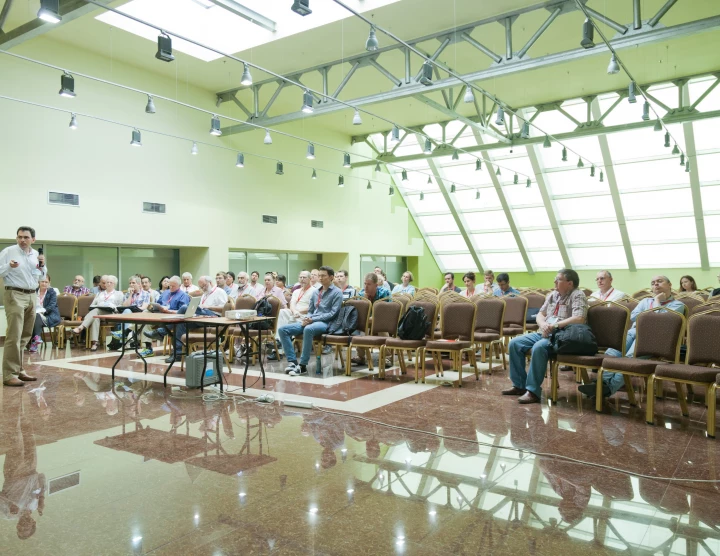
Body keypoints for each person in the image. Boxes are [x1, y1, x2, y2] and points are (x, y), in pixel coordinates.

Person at [579, 275, 686, 399]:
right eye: (653, 283)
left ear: (669, 285)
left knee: (630, 358)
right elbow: (634, 316)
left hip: (655, 339)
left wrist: (656, 301)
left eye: (659, 281)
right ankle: (601, 384)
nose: (655, 284)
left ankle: (608, 388)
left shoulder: (677, 305)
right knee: (613, 351)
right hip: (634, 332)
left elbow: (659, 322)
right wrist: (652, 312)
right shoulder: (645, 301)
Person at [505, 269, 588, 404]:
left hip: (562, 336)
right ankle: (519, 385)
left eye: (558, 279)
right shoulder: (552, 295)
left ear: (569, 283)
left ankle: (533, 391)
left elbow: (579, 318)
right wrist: (543, 324)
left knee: (539, 347)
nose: (554, 281)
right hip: (544, 332)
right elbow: (540, 314)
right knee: (514, 343)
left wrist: (554, 326)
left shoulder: (578, 295)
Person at [0, 227, 47, 386]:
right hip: (15, 293)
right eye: (19, 237)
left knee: (25, 334)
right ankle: (8, 375)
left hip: (32, 295)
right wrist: (9, 267)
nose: (22, 240)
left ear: (33, 239)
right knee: (14, 334)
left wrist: (43, 265)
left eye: (26, 237)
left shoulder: (36, 255)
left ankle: (19, 370)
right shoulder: (8, 252)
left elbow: (41, 274)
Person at [278, 266, 343, 377]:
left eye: (323, 276)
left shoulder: (337, 293)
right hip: (311, 320)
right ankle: (293, 362)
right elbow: (311, 310)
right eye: (319, 276)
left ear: (331, 277)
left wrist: (312, 319)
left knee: (308, 329)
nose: (321, 278)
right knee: (282, 330)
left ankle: (302, 366)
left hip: (326, 323)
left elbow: (333, 314)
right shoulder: (316, 292)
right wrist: (307, 318)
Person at [168, 276, 228, 363]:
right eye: (200, 286)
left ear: (210, 283)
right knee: (181, 322)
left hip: (214, 317)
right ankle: (178, 353)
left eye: (204, 286)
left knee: (185, 307)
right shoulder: (205, 293)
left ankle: (163, 330)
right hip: (202, 317)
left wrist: (208, 307)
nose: (202, 288)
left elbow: (224, 308)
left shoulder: (219, 292)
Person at [270, 271, 315, 360]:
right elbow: (292, 304)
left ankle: (278, 349)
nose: (302, 279)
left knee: (285, 323)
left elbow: (312, 308)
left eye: (304, 277)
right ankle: (278, 342)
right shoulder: (296, 291)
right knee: (282, 312)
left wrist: (299, 312)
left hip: (306, 315)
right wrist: (294, 311)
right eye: (300, 277)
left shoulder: (314, 291)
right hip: (294, 313)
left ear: (310, 279)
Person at [72, 275, 124, 352]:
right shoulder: (100, 294)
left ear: (114, 284)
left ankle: (81, 327)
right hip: (99, 312)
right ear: (105, 284)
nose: (109, 284)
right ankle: (94, 343)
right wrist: (100, 305)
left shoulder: (119, 293)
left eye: (111, 282)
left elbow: (120, 306)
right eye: (107, 282)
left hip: (111, 313)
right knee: (95, 316)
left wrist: (111, 306)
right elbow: (92, 305)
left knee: (95, 312)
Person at [352, 272, 392, 366]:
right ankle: (361, 357)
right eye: (365, 284)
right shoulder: (362, 293)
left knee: (381, 328)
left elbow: (388, 311)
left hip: (382, 320)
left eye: (369, 284)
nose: (366, 287)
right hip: (367, 321)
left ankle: (387, 357)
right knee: (362, 328)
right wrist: (364, 301)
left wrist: (373, 317)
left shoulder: (384, 293)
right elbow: (360, 313)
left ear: (376, 285)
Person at [142, 276, 190, 343]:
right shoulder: (165, 292)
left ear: (179, 285)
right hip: (159, 315)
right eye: (170, 285)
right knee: (146, 318)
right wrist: (153, 307)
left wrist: (169, 311)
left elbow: (182, 312)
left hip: (172, 318)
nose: (171, 287)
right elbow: (158, 303)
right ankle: (148, 347)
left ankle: (159, 333)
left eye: (173, 286)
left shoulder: (183, 295)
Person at [110, 276, 151, 344]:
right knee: (127, 310)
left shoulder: (145, 294)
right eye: (130, 283)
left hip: (139, 314)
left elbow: (144, 307)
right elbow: (125, 306)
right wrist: (130, 295)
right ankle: (127, 336)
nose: (131, 285)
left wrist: (134, 308)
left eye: (133, 283)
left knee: (127, 311)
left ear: (139, 284)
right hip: (128, 314)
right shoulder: (127, 294)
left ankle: (124, 336)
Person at [29, 276, 60, 354]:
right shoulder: (34, 291)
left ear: (49, 283)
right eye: (42, 281)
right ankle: (36, 339)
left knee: (37, 316)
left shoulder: (52, 292)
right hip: (35, 314)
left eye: (46, 282)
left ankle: (34, 342)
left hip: (50, 315)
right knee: (34, 317)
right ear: (38, 282)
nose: (44, 283)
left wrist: (41, 311)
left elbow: (52, 306)